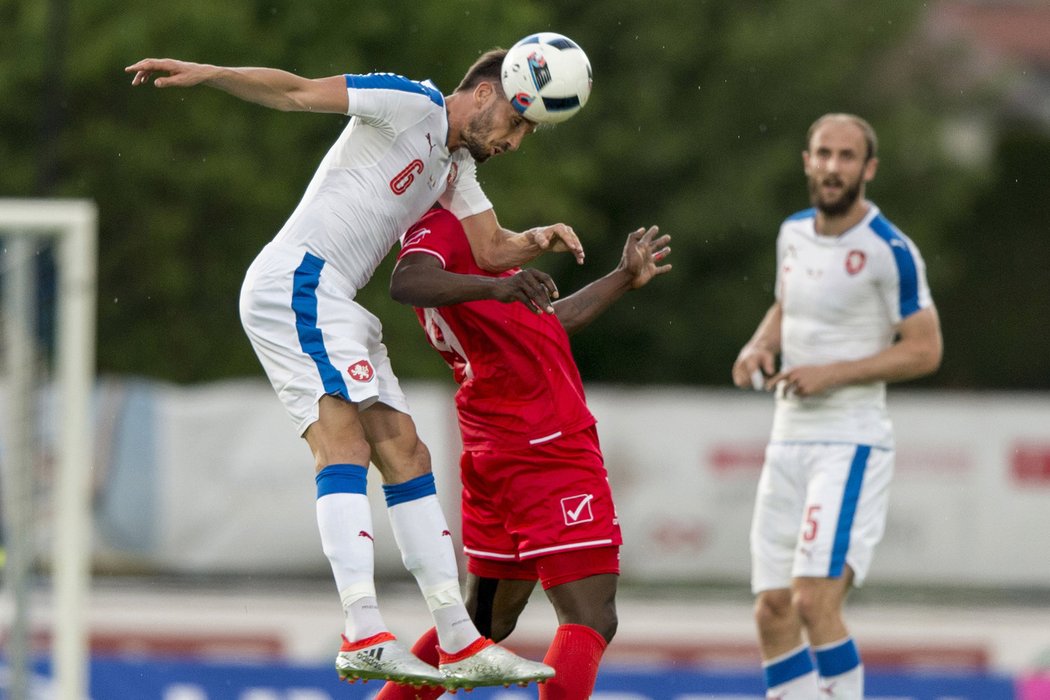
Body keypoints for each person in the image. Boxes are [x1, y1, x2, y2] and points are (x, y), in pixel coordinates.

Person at [125, 47, 589, 690]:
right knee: (342, 444)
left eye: (530, 130)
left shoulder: (455, 166)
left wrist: (536, 237)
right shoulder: (412, 104)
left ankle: (459, 642)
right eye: (518, 121)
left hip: (332, 298)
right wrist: (214, 74)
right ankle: (362, 630)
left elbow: (488, 247)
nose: (518, 140)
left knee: (406, 451)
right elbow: (296, 90)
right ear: (484, 93)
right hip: (299, 280)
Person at [369, 207, 670, 700]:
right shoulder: (443, 222)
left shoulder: (474, 241)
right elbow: (408, 281)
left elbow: (546, 323)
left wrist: (621, 278)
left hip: (499, 444)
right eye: (512, 128)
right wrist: (496, 285)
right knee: (591, 615)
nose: (509, 142)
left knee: (484, 623)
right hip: (543, 445)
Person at [731, 113, 943, 699]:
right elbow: (787, 305)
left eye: (847, 157)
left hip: (849, 441)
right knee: (772, 611)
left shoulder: (889, 249)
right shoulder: (793, 232)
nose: (832, 167)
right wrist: (760, 344)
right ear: (807, 160)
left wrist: (833, 374)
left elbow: (926, 350)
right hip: (787, 439)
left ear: (868, 169)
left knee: (812, 599)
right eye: (823, 154)